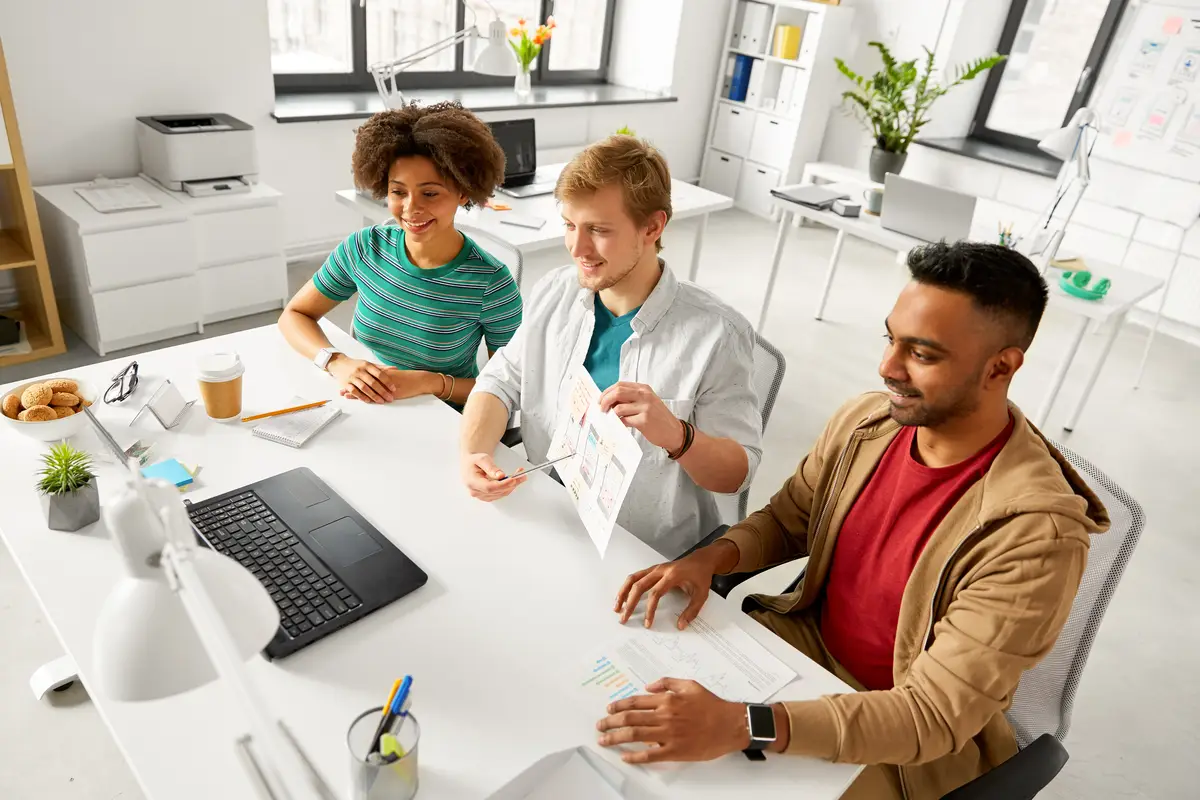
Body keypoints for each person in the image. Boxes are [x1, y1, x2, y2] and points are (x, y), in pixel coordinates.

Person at [600, 241, 1110, 799]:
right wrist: (709, 559)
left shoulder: (1038, 537)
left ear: (1001, 367)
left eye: (923, 354)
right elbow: (789, 520)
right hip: (802, 652)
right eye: (891, 339)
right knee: (631, 720)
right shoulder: (867, 423)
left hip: (903, 740)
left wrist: (743, 725)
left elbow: (931, 717)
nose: (888, 368)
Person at [459, 135, 762, 558]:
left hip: (644, 553)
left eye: (598, 230)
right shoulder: (554, 291)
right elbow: (500, 380)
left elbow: (736, 476)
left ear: (652, 227)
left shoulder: (718, 334)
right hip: (551, 519)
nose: (577, 249)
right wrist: (474, 452)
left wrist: (677, 435)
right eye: (570, 226)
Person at [279, 102, 522, 406]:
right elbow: (295, 315)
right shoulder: (364, 248)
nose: (410, 208)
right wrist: (337, 362)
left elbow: (511, 387)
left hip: (442, 417)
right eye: (398, 192)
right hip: (367, 404)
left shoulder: (491, 283)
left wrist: (428, 382)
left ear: (463, 192)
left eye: (430, 193)